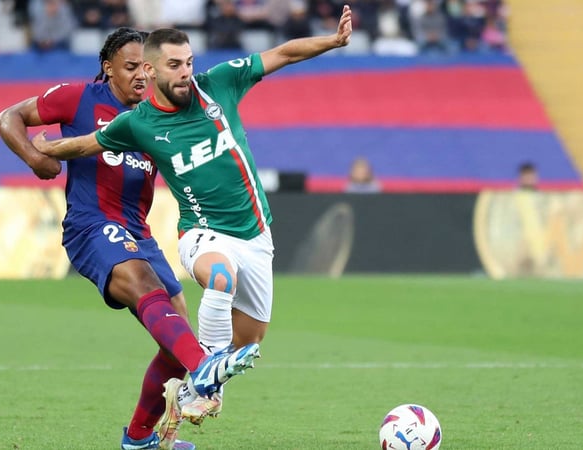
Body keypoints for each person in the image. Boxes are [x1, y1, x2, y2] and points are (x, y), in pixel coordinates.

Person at [31, 2, 353, 429]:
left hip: (256, 235)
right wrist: (45, 149)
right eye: (174, 65)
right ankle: (206, 384)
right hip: (202, 233)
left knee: (249, 341)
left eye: (188, 62)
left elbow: (284, 53)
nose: (185, 72)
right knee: (220, 277)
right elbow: (87, 143)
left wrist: (333, 40)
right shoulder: (138, 123)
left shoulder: (220, 84)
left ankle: (181, 397)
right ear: (151, 70)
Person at [0, 27, 260, 450]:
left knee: (175, 335)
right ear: (108, 68)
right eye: (130, 66)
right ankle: (205, 369)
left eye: (145, 67)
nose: (140, 75)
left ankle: (139, 439)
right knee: (144, 286)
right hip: (91, 226)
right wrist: (32, 157)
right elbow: (7, 117)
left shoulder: (155, 117)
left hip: (139, 234)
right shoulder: (78, 98)